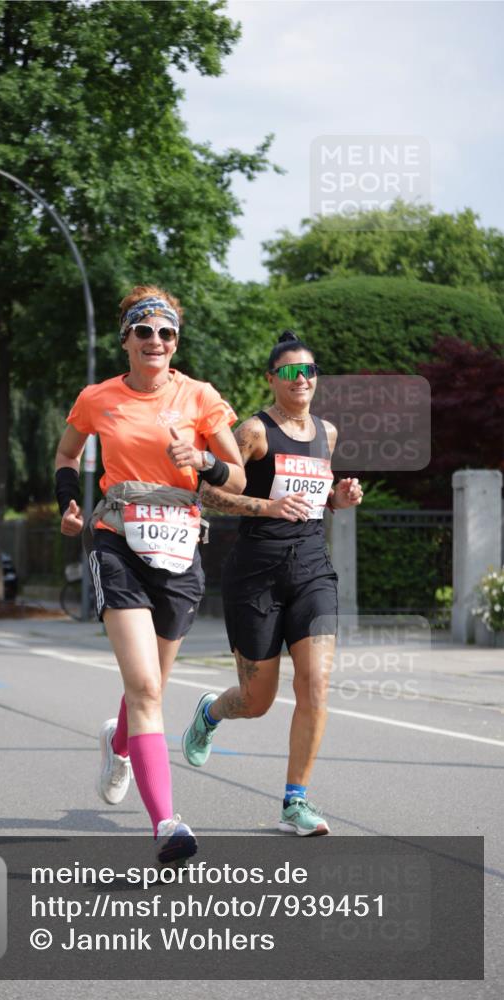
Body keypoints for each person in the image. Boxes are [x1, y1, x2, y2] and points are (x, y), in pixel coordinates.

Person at [55, 285, 244, 864]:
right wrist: (69, 502)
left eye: (167, 333)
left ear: (175, 342)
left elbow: (236, 477)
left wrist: (205, 462)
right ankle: (167, 822)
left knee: (152, 688)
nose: (156, 341)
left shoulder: (201, 396)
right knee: (144, 689)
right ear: (127, 340)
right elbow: (67, 455)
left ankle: (118, 745)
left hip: (181, 548)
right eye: (145, 331)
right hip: (117, 543)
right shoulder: (98, 398)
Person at [182, 330, 363, 836]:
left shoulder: (327, 433)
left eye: (308, 371)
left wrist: (338, 499)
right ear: (272, 379)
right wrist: (266, 507)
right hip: (256, 574)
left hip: (311, 570)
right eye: (289, 372)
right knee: (256, 700)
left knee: (316, 686)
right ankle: (211, 712)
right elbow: (209, 492)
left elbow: (314, 496)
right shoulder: (253, 432)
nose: (300, 379)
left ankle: (295, 801)